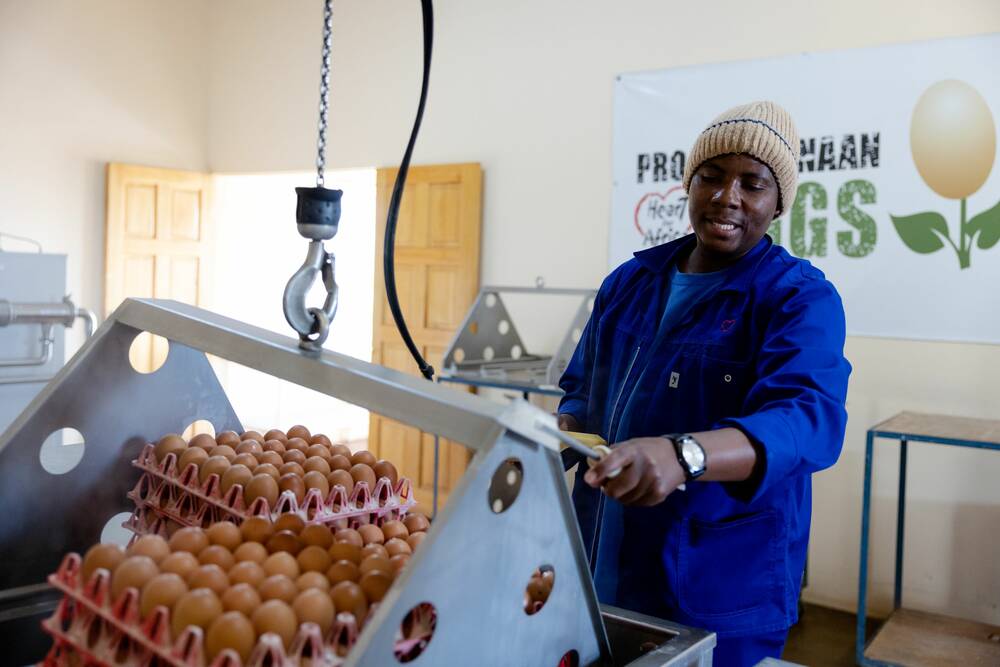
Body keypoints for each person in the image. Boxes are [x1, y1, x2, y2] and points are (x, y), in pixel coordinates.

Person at [558, 101, 851, 667]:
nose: (727, 197)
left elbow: (805, 420)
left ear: (777, 202)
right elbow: (582, 391)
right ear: (689, 184)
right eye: (711, 176)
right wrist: (558, 432)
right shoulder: (630, 282)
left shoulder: (797, 297)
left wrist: (684, 454)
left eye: (753, 183)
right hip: (598, 556)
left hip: (717, 587)